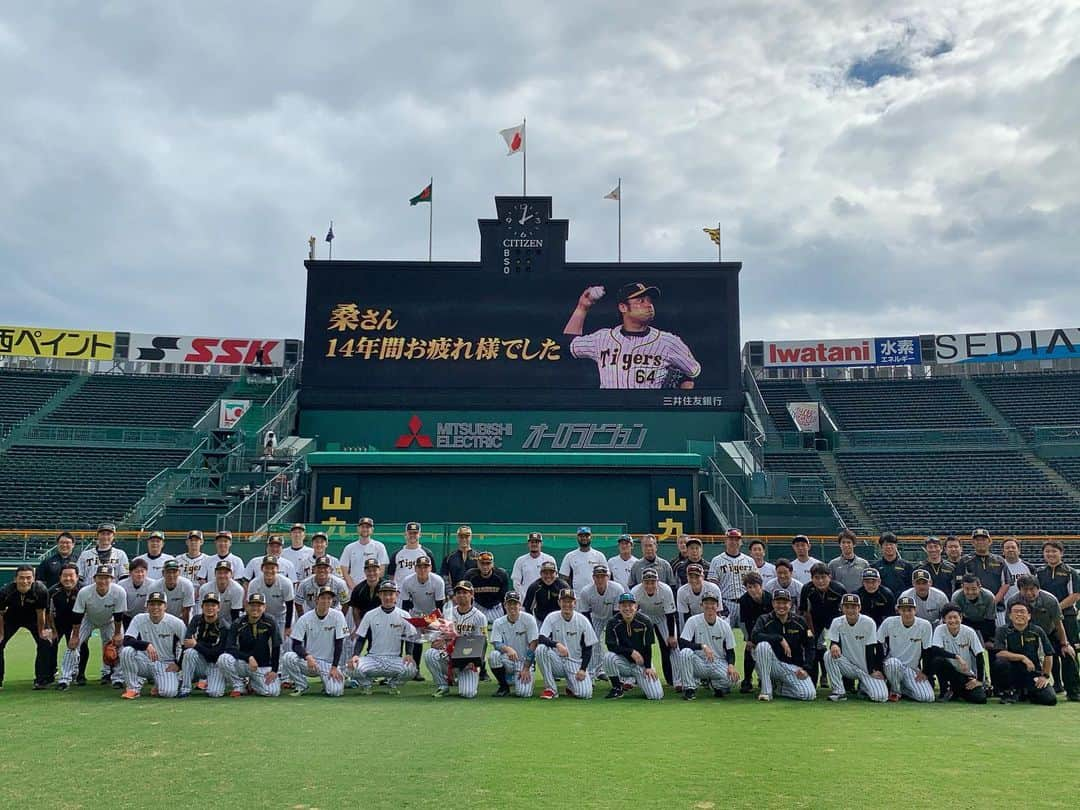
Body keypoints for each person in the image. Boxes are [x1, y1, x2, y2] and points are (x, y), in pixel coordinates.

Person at [563, 281, 701, 389]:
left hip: (651, 415)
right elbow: (570, 344)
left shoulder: (669, 342)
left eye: (649, 300)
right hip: (610, 414)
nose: (649, 305)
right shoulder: (602, 338)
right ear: (623, 307)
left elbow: (693, 373)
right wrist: (582, 307)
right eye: (640, 301)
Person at [1006, 574, 1079, 701]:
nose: (1029, 593)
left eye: (1032, 589)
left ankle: (1073, 690)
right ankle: (1016, 690)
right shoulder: (1013, 601)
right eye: (1025, 589)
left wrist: (1064, 644)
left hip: (1049, 633)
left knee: (1068, 654)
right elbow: (1010, 625)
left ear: (1038, 588)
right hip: (1025, 635)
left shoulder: (1050, 600)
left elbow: (1058, 623)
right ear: (1019, 590)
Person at [58, 565, 126, 690]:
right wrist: (75, 636)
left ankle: (118, 678)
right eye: (100, 577)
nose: (103, 581)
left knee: (120, 646)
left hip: (109, 620)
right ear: (94, 578)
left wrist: (117, 634)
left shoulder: (119, 592)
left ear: (112, 579)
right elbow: (78, 615)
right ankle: (64, 679)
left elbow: (118, 615)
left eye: (107, 578)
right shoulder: (85, 592)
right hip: (88, 619)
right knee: (72, 645)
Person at [347, 581, 420, 695]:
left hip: (394, 658)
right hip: (373, 658)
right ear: (379, 595)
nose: (387, 597)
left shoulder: (404, 615)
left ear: (397, 595)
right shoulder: (370, 614)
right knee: (350, 667)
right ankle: (366, 685)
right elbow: (361, 638)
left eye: (391, 594)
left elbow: (410, 637)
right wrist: (355, 655)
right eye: (384, 594)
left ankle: (393, 684)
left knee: (412, 669)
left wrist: (409, 654)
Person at [281, 586, 349, 697]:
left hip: (328, 663)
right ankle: (301, 685)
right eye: (323, 598)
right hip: (309, 662)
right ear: (316, 599)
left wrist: (335, 667)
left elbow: (339, 643)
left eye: (329, 598)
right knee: (288, 657)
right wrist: (307, 656)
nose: (326, 601)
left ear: (332, 601)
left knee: (335, 692)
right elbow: (296, 645)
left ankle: (327, 683)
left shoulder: (338, 616)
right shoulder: (305, 618)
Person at [750, 589, 817, 702]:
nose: (781, 606)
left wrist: (806, 668)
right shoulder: (764, 619)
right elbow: (754, 636)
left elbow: (810, 646)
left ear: (790, 604)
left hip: (792, 667)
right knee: (762, 646)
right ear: (773, 604)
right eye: (778, 603)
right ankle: (766, 691)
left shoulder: (800, 622)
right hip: (771, 665)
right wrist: (779, 638)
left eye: (785, 603)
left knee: (808, 695)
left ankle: (779, 688)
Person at [424, 582, 487, 698]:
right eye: (458, 593)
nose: (461, 595)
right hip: (449, 655)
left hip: (468, 660)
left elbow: (482, 642)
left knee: (467, 693)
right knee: (430, 654)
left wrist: (475, 662)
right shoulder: (448, 613)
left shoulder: (480, 617)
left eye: (465, 592)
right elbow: (439, 635)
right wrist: (436, 641)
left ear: (472, 594)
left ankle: (460, 679)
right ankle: (443, 686)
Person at [119, 590, 186, 699]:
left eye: (159, 604)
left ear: (165, 606)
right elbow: (127, 640)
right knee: (126, 651)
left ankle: (161, 683)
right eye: (152, 604)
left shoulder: (176, 623)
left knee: (168, 693)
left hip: (166, 663)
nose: (155, 607)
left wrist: (178, 664)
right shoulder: (139, 618)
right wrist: (146, 645)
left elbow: (186, 645)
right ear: (147, 606)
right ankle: (133, 688)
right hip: (145, 660)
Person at [823, 594, 888, 702]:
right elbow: (834, 641)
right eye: (847, 607)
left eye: (853, 607)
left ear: (859, 608)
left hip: (866, 668)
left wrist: (872, 670)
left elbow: (871, 648)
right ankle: (839, 691)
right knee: (828, 655)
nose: (850, 610)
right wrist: (833, 645)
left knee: (880, 697)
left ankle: (863, 687)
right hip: (847, 665)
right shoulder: (837, 621)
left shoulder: (868, 622)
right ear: (842, 608)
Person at [675, 592, 738, 700]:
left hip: (717, 662)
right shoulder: (693, 621)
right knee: (685, 653)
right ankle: (689, 688)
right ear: (701, 605)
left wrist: (731, 665)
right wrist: (702, 646)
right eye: (706, 603)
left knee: (733, 681)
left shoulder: (724, 625)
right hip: (699, 661)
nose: (709, 606)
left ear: (717, 606)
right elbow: (683, 642)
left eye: (712, 603)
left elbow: (730, 650)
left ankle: (715, 684)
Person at [218, 593, 282, 698]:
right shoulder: (238, 623)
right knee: (223, 659)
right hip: (243, 663)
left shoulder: (270, 622)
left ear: (264, 607)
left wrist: (274, 670)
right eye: (252, 605)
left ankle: (253, 683)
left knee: (273, 692)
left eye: (259, 605)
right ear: (247, 606)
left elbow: (276, 646)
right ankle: (239, 685)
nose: (255, 608)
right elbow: (229, 647)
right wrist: (248, 657)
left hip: (262, 665)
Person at [536, 589, 597, 700]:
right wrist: (557, 644)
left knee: (585, 694)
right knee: (541, 649)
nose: (567, 604)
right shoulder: (551, 617)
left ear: (575, 603)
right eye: (564, 601)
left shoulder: (582, 620)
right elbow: (541, 638)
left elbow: (588, 647)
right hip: (557, 660)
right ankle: (551, 689)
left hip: (575, 662)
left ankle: (571, 686)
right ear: (559, 602)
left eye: (570, 601)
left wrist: (583, 669)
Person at [1037, 540, 1080, 695]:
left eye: (1054, 551)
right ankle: (1057, 685)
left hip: (1067, 617)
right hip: (1046, 619)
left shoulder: (1070, 572)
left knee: (1068, 651)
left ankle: (1073, 688)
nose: (1050, 554)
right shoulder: (1039, 572)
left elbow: (1075, 595)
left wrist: (1055, 609)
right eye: (1047, 551)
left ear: (1061, 553)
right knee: (1051, 651)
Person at [992, 601, 1056, 705]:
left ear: (1029, 616)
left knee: (1050, 699)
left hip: (1033, 672)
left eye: (1022, 612)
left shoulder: (1037, 631)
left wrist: (1045, 676)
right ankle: (1008, 692)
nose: (1019, 614)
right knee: (1000, 663)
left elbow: (1048, 654)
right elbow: (999, 653)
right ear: (1010, 616)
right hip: (1012, 672)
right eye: (1015, 612)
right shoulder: (1002, 630)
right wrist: (1023, 658)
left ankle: (1027, 692)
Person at [0, 565, 53, 689]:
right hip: (11, 618)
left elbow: (41, 613)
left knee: (44, 642)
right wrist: (1, 634)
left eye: (28, 578)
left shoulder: (40, 590)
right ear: (15, 579)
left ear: (34, 579)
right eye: (21, 578)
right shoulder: (5, 592)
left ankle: (41, 680)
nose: (25, 581)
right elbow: (0, 615)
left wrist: (42, 632)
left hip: (33, 619)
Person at [602, 592, 663, 700]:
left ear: (636, 606)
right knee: (608, 657)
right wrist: (630, 652)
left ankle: (640, 681)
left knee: (656, 696)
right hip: (623, 662)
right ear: (619, 607)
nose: (627, 608)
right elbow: (611, 646)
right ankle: (617, 688)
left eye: (630, 605)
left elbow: (648, 646)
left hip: (641, 663)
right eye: (624, 605)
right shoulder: (613, 622)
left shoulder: (645, 621)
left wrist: (648, 667)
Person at [878, 596, 935, 702]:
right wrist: (879, 668)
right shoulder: (889, 622)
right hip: (892, 665)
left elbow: (927, 650)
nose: (907, 613)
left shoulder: (925, 625)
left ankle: (903, 689)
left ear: (915, 610)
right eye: (903, 610)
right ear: (898, 610)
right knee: (893, 664)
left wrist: (925, 672)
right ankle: (895, 691)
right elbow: (878, 642)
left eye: (910, 610)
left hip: (911, 668)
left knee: (927, 698)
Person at [799, 563, 846, 687]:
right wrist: (811, 632)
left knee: (841, 648)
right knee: (812, 647)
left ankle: (847, 683)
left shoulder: (839, 589)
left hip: (835, 621)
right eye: (816, 578)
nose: (820, 581)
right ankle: (812, 682)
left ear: (830, 577)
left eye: (823, 577)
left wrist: (836, 636)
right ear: (812, 578)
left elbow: (845, 613)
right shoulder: (807, 589)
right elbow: (805, 612)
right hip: (814, 622)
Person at [630, 568, 679, 687]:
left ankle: (677, 680)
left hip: (662, 617)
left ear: (658, 581)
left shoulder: (666, 590)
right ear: (642, 583)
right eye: (647, 582)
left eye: (653, 582)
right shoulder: (635, 591)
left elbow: (670, 614)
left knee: (673, 647)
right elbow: (632, 613)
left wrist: (671, 636)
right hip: (644, 617)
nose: (650, 585)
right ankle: (633, 679)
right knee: (636, 646)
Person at [930, 604, 987, 703]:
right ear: (944, 619)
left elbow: (979, 655)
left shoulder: (969, 632)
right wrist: (956, 657)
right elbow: (935, 649)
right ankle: (945, 690)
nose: (953, 621)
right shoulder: (940, 630)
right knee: (937, 660)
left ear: (961, 617)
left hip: (965, 674)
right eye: (949, 618)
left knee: (980, 699)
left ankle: (956, 691)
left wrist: (979, 680)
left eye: (955, 617)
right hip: (949, 671)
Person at [954, 528, 1011, 627]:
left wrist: (992, 602)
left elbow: (1006, 583)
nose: (980, 542)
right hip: (971, 609)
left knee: (997, 637)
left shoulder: (999, 560)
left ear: (989, 541)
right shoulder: (965, 561)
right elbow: (960, 585)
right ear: (972, 542)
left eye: (983, 539)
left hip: (997, 608)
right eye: (977, 540)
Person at [488, 591, 539, 698]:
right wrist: (508, 649)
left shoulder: (529, 619)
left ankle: (519, 677)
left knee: (523, 693)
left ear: (519, 605)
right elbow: (496, 643)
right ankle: (504, 686)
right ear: (504, 605)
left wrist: (526, 668)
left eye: (515, 603)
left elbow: (533, 644)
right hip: (508, 659)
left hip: (524, 661)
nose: (512, 606)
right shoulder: (498, 622)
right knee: (494, 656)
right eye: (509, 603)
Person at [178, 591, 230, 698]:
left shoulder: (223, 626)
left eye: (213, 605)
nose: (210, 608)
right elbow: (187, 643)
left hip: (215, 665)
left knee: (214, 693)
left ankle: (210, 682)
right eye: (207, 605)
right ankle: (185, 688)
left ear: (218, 608)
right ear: (202, 606)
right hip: (199, 661)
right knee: (189, 652)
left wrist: (197, 645)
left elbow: (216, 654)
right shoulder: (196, 620)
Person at [400, 555, 445, 676]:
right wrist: (413, 622)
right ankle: (416, 670)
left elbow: (440, 607)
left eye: (426, 567)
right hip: (415, 613)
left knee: (439, 642)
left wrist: (429, 622)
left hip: (434, 614)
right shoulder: (407, 581)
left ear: (430, 568)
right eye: (420, 567)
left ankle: (443, 671)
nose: (422, 570)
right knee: (415, 640)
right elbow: (405, 606)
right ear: (415, 568)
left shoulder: (438, 581)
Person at [579, 564, 625, 680]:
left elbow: (617, 614)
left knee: (618, 641)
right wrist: (590, 632)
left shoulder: (617, 589)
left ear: (607, 577)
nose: (600, 579)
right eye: (597, 576)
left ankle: (621, 675)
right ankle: (592, 673)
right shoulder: (586, 591)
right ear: (593, 577)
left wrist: (613, 632)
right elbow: (585, 614)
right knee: (592, 642)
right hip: (595, 617)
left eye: (603, 576)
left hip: (613, 617)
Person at [707, 529, 756, 627]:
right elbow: (713, 586)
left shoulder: (749, 561)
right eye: (731, 539)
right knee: (723, 636)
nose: (734, 542)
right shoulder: (716, 560)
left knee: (750, 636)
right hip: (726, 603)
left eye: (737, 539)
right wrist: (718, 605)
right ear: (726, 541)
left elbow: (756, 584)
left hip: (745, 603)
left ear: (741, 542)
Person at [736, 572, 773, 693]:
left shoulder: (770, 598)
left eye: (755, 586)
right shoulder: (744, 600)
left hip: (769, 631)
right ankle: (747, 680)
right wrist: (749, 639)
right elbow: (743, 622)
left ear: (761, 586)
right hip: (752, 631)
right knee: (749, 650)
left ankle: (766, 678)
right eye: (749, 587)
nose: (752, 590)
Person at [245, 556, 295, 643]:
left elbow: (290, 605)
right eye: (266, 568)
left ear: (277, 569)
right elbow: (251, 606)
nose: (269, 571)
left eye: (272, 568)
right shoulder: (254, 583)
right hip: (262, 617)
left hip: (282, 617)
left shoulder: (286, 583)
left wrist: (288, 627)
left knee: (283, 643)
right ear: (261, 568)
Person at [46, 564, 81, 686]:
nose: (68, 579)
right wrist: (53, 630)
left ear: (77, 577)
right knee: (50, 644)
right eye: (65, 576)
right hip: (58, 623)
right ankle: (49, 674)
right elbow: (48, 612)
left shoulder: (83, 590)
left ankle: (79, 674)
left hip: (77, 624)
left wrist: (77, 633)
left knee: (79, 646)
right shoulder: (52, 592)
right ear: (60, 577)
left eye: (71, 576)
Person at [340, 517, 391, 591]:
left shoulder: (379, 546)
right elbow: (344, 571)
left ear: (372, 530)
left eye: (367, 527)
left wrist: (370, 588)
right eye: (362, 527)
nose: (365, 529)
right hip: (353, 590)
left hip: (373, 589)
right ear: (358, 529)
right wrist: (355, 589)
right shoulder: (349, 548)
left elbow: (381, 571)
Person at [950, 574, 998, 647]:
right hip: (965, 621)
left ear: (979, 587)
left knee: (990, 646)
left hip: (984, 621)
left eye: (974, 589)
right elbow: (956, 619)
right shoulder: (956, 597)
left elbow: (990, 620)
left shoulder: (989, 597)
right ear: (962, 587)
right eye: (967, 589)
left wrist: (989, 640)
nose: (970, 592)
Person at [387, 522, 436, 591]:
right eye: (410, 533)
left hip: (421, 592)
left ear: (420, 535)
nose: (412, 535)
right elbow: (391, 575)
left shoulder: (427, 553)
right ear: (405, 534)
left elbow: (432, 574)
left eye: (415, 533)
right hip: (400, 594)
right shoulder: (396, 554)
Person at [466, 552, 511, 623]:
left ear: (492, 564)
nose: (485, 566)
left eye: (488, 563)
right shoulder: (470, 575)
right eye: (482, 563)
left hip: (495, 607)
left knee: (499, 626)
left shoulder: (501, 575)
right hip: (478, 606)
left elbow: (504, 598)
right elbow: (466, 597)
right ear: (477, 564)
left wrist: (507, 614)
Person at [197, 560, 245, 627]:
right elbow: (202, 610)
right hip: (209, 620)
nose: (222, 575)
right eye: (219, 572)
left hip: (229, 622)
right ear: (215, 574)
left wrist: (234, 631)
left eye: (226, 573)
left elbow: (235, 613)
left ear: (231, 574)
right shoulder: (205, 588)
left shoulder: (238, 589)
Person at [870, 533, 915, 597]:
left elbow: (911, 587)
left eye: (891, 544)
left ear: (896, 546)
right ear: (881, 547)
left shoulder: (907, 566)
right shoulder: (874, 567)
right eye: (886, 545)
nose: (889, 547)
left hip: (902, 603)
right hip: (882, 602)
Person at [347, 559, 385, 630]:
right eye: (369, 571)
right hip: (364, 625)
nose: (371, 573)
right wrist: (359, 628)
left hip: (383, 624)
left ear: (379, 570)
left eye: (374, 570)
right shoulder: (358, 589)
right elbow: (355, 610)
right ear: (365, 572)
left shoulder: (386, 587)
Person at [827, 529, 869, 593]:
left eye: (849, 542)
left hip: (859, 600)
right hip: (840, 600)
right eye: (843, 542)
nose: (846, 545)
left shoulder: (864, 564)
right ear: (840, 545)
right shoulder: (832, 564)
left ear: (854, 544)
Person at [119, 558, 153, 628]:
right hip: (126, 617)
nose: (140, 574)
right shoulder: (121, 585)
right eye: (137, 571)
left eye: (142, 571)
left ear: (146, 572)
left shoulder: (153, 585)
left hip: (144, 617)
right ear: (130, 573)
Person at [1001, 537, 1032, 606]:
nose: (1010, 549)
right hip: (1003, 608)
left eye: (1013, 547)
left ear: (1019, 550)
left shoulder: (1029, 567)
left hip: (1025, 606)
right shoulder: (998, 567)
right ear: (1003, 551)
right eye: (1007, 548)